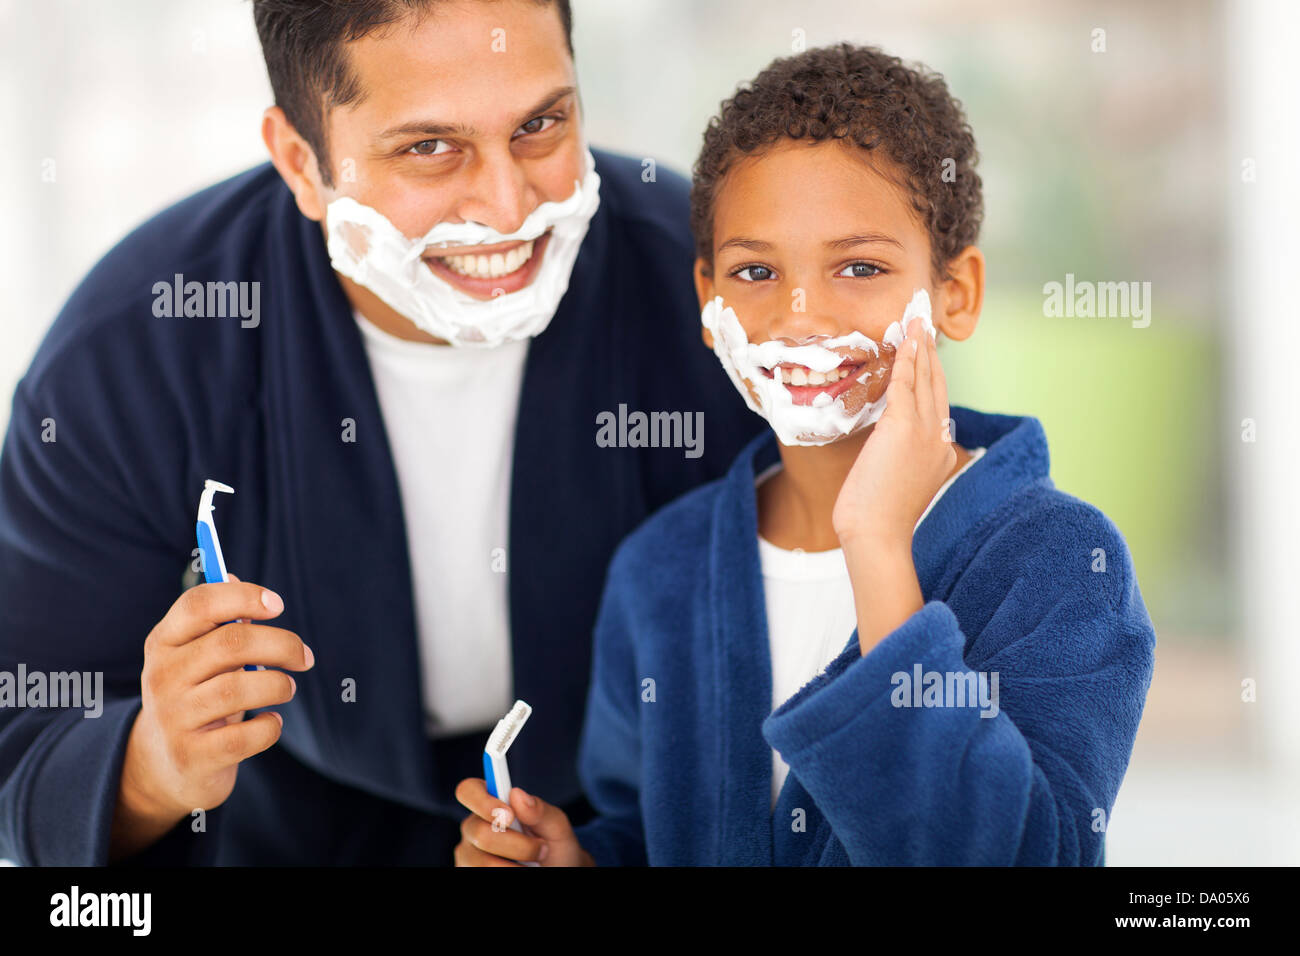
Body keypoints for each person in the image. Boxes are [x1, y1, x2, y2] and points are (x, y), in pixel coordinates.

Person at [0, 0, 763, 866]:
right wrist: (152, 768)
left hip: (647, 822)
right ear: (302, 162)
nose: (506, 207)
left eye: (541, 124)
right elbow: (22, 739)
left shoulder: (724, 292)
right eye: (429, 147)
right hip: (283, 834)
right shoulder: (139, 343)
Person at [453, 43, 1156, 866]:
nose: (802, 315)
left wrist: (877, 546)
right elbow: (653, 832)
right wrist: (577, 859)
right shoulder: (661, 570)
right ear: (708, 299)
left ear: (955, 293)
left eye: (859, 266)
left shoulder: (1063, 564)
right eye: (755, 270)